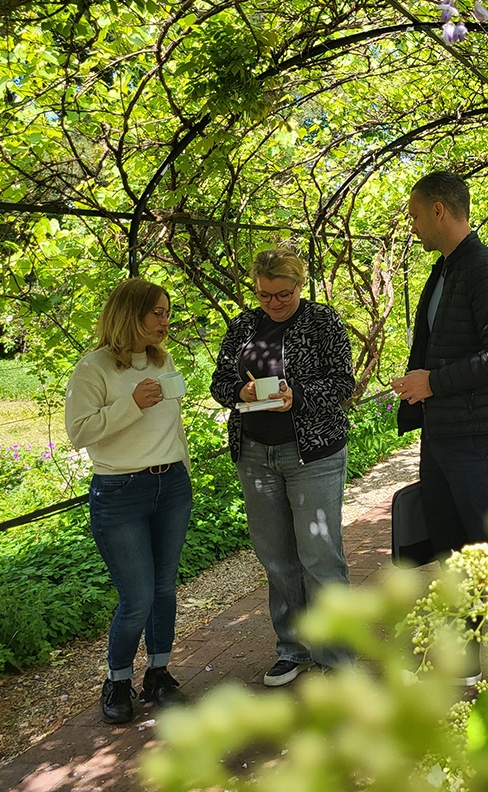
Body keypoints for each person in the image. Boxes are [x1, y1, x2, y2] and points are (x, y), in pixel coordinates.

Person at [391, 172, 488, 683]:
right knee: (449, 541)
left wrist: (434, 382)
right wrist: (420, 388)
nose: (413, 223)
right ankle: (465, 655)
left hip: (478, 435)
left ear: (440, 212)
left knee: (487, 543)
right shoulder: (445, 269)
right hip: (443, 431)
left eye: (415, 213)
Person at [209, 248, 356, 687]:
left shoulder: (323, 321)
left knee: (321, 557)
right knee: (276, 558)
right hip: (256, 453)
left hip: (312, 453)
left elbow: (343, 382)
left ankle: (335, 657)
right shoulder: (243, 325)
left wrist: (300, 395)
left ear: (300, 284)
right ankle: (291, 648)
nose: (273, 303)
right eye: (265, 294)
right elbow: (219, 383)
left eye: (283, 294)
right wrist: (241, 390)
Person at [65, 278, 192, 724]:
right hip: (120, 491)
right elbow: (78, 432)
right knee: (136, 595)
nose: (165, 320)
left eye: (167, 311)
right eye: (156, 312)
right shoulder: (94, 368)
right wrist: (131, 404)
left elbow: (171, 426)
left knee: (163, 589)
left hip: (171, 485)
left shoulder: (163, 359)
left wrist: (182, 470)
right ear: (129, 314)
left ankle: (158, 674)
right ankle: (118, 679)